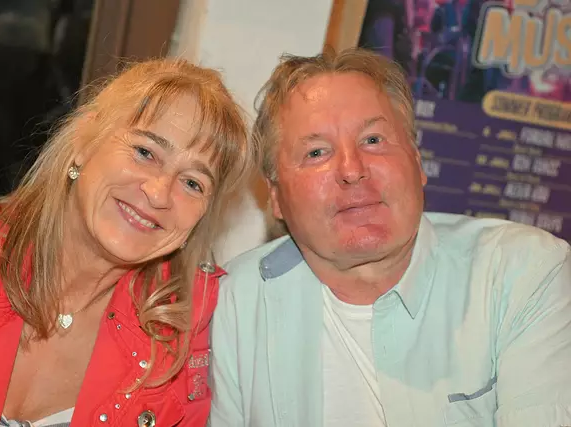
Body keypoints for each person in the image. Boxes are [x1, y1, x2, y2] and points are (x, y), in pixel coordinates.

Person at [208, 48, 571, 427]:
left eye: (373, 140)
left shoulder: (521, 272)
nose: (352, 170)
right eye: (316, 152)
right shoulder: (232, 302)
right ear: (275, 197)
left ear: (417, 160)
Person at [0, 57, 257, 426]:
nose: (158, 193)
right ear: (84, 140)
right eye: (145, 152)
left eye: (193, 183)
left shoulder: (186, 335)